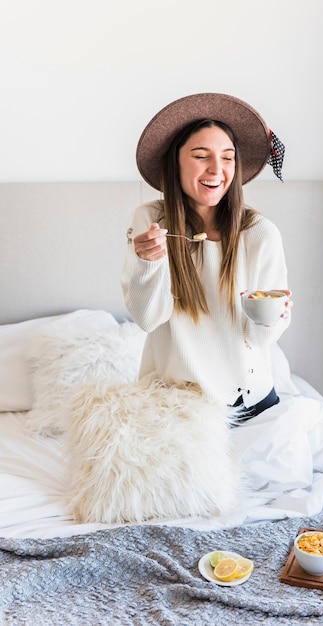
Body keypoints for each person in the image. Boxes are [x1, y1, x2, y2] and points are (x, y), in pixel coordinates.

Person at [121, 93, 291, 422]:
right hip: (173, 410)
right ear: (176, 162)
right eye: (202, 156)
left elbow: (259, 339)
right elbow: (148, 318)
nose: (217, 169)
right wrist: (148, 264)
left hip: (250, 405)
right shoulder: (151, 222)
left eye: (227, 158)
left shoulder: (260, 233)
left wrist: (272, 317)